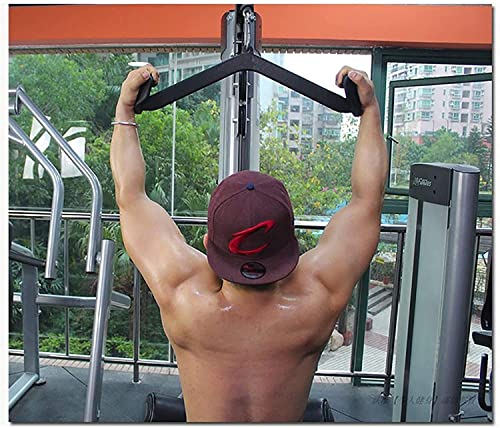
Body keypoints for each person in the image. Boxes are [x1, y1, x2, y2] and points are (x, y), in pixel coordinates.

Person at [110, 64, 388, 422]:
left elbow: (130, 196)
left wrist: (125, 109)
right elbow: (368, 200)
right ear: (290, 247)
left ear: (209, 243)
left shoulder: (182, 295)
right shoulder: (319, 298)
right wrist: (369, 110)